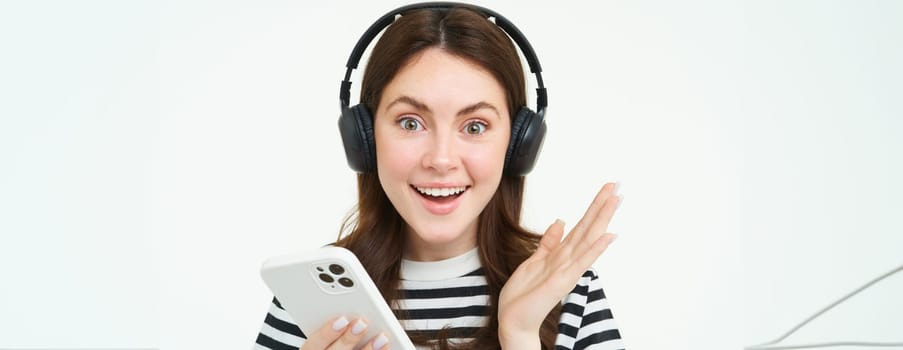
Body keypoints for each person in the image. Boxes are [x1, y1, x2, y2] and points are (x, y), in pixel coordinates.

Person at [255, 3, 624, 350]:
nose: (441, 159)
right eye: (410, 122)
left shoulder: (565, 289)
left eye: (475, 126)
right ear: (364, 138)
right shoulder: (312, 293)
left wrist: (520, 335)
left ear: (517, 144)